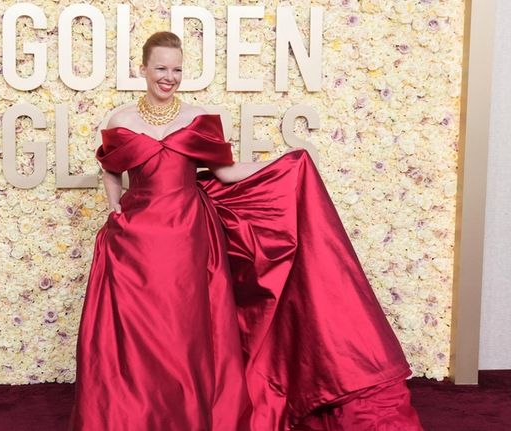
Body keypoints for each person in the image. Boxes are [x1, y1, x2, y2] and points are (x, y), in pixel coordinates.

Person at [68, 31, 423, 430]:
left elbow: (226, 173)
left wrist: (284, 163)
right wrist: (114, 206)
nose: (169, 77)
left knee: (185, 331)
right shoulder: (121, 119)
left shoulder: (199, 118)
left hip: (189, 235)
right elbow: (112, 169)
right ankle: (140, 415)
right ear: (143, 69)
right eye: (161, 68)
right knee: (139, 333)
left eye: (177, 69)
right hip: (135, 240)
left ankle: (190, 414)